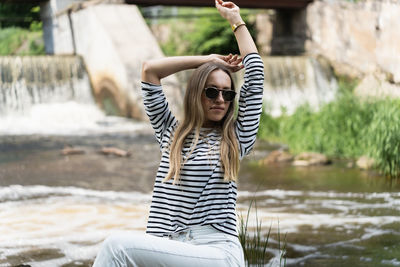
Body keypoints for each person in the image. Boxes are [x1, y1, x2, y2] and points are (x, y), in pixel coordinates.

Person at [92, 0, 264, 266]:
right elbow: (150, 70)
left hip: (217, 252)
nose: (220, 98)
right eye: (211, 90)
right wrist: (207, 61)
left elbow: (255, 74)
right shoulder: (171, 134)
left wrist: (236, 20)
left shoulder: (236, 138)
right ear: (196, 93)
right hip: (169, 247)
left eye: (227, 93)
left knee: (115, 247)